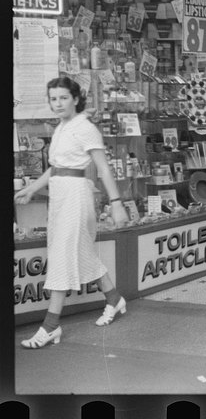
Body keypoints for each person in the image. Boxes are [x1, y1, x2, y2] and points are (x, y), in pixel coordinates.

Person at [14, 77, 129, 349]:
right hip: (61, 194)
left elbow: (102, 167)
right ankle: (114, 299)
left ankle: (50, 327)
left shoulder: (85, 128)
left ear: (76, 99)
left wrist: (116, 202)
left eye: (63, 98)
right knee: (81, 253)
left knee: (62, 257)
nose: (58, 103)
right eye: (53, 98)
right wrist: (32, 189)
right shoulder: (62, 128)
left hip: (77, 196)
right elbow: (56, 167)